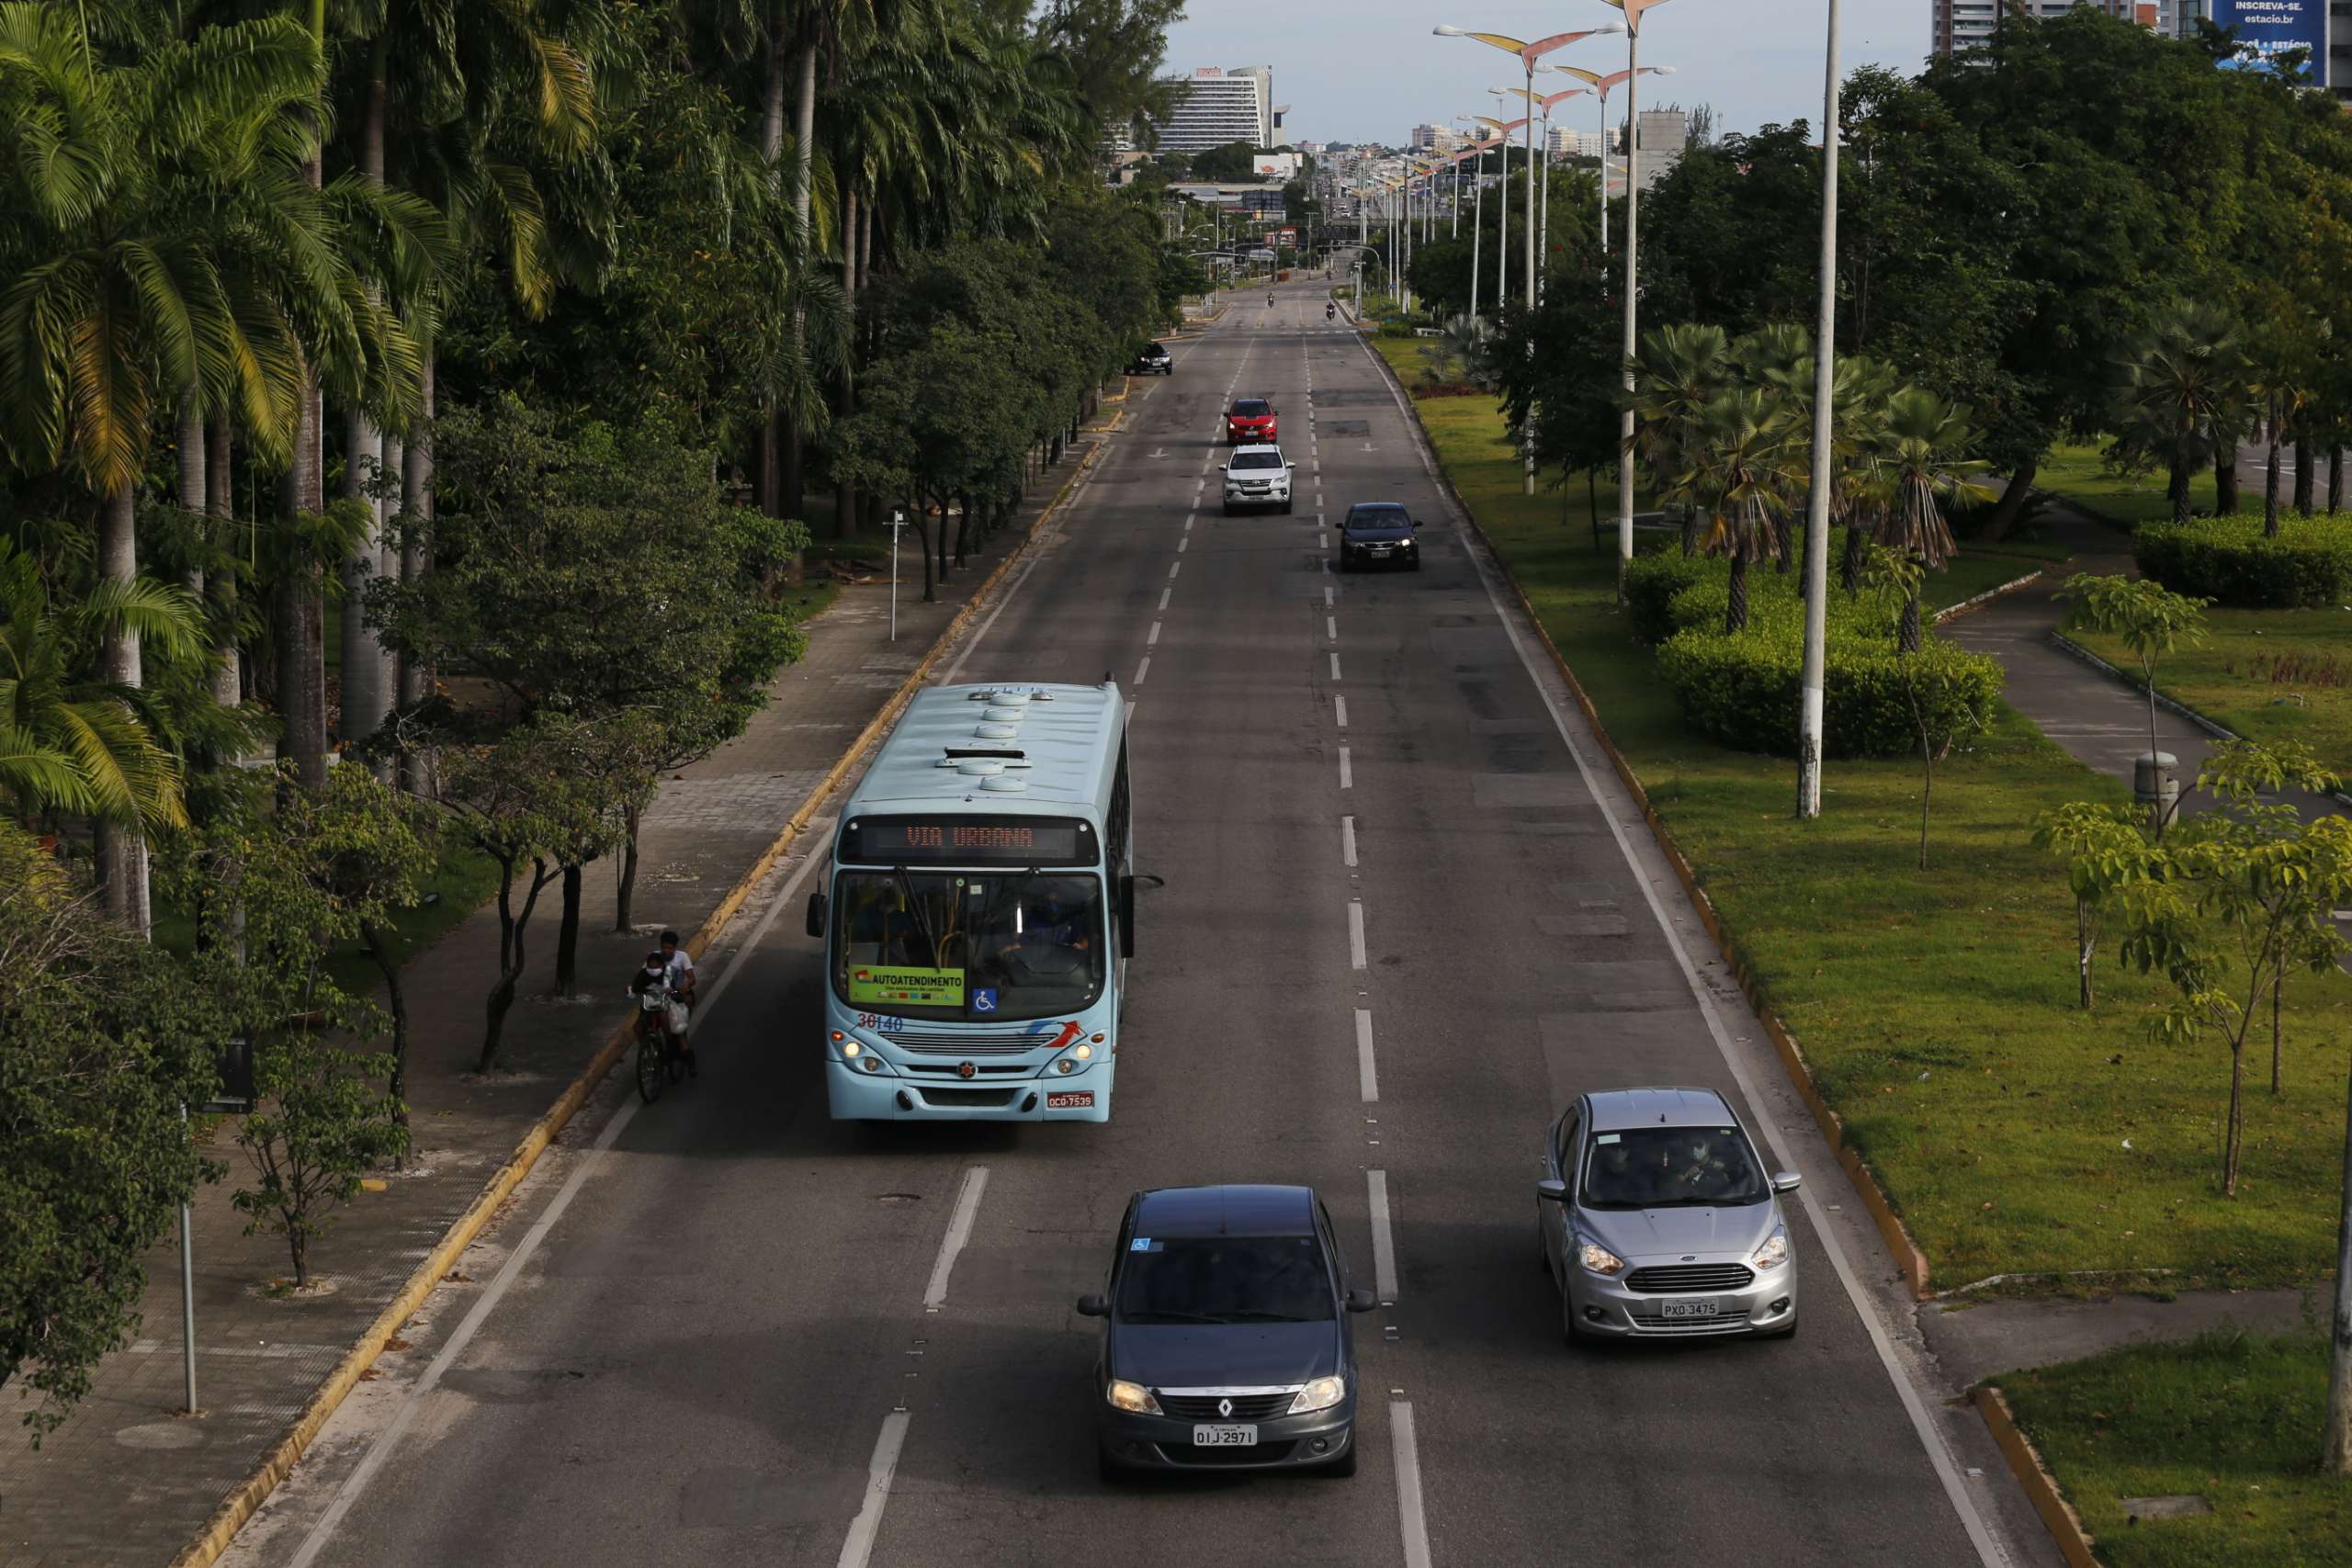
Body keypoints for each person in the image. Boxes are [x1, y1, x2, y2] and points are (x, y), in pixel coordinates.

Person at [658, 930, 699, 1077]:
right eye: (664, 947)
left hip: (678, 997)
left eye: (669, 948)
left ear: (675, 948)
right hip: (661, 997)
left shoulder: (683, 957)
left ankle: (690, 1063)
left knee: (679, 1031)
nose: (666, 951)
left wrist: (686, 985)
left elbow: (692, 978)